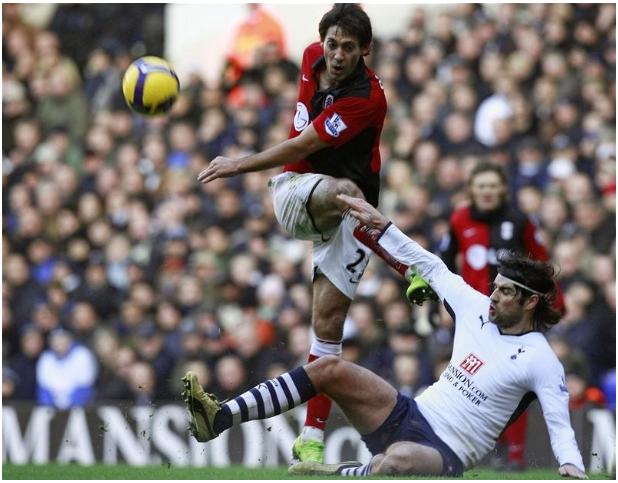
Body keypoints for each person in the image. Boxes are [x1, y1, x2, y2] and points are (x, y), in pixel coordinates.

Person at [181, 194, 587, 479]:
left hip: (444, 453)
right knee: (328, 369)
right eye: (495, 286)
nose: (493, 296)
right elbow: (430, 264)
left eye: (504, 292)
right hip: (408, 413)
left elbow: (558, 421)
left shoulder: (540, 358)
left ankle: (338, 475)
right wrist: (384, 227)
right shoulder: (477, 306)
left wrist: (571, 466)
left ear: (530, 303)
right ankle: (218, 417)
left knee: (395, 463)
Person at [197, 4, 435, 463]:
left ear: (366, 50)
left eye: (349, 47)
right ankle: (406, 267)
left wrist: (236, 162)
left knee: (326, 335)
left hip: (351, 213)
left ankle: (309, 442)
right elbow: (303, 148)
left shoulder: (367, 98)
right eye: (333, 44)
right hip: (297, 191)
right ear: (321, 42)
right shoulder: (309, 57)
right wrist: (241, 166)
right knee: (345, 189)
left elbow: (309, 139)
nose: (339, 54)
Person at [430, 161, 562, 470]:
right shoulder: (459, 219)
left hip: (514, 319)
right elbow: (444, 261)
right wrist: (442, 303)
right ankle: (461, 445)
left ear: (503, 189)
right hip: (474, 317)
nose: (487, 191)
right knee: (466, 378)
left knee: (514, 384)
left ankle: (515, 454)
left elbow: (542, 265)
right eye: (481, 186)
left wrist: (554, 306)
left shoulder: (519, 221)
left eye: (492, 185)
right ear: (471, 190)